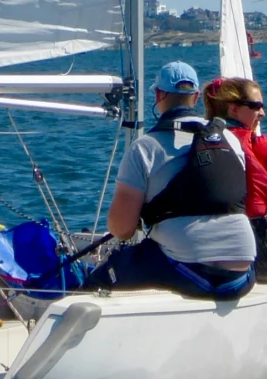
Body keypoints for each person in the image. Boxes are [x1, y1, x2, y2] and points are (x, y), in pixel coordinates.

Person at [83, 60, 256, 297]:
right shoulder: (230, 139)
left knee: (103, 275)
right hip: (242, 276)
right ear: (196, 98)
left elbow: (122, 229)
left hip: (191, 273)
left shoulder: (145, 148)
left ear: (158, 95)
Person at [205, 76, 267, 277]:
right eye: (256, 106)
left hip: (210, 245)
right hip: (259, 251)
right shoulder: (259, 144)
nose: (263, 113)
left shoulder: (202, 140)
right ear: (233, 109)